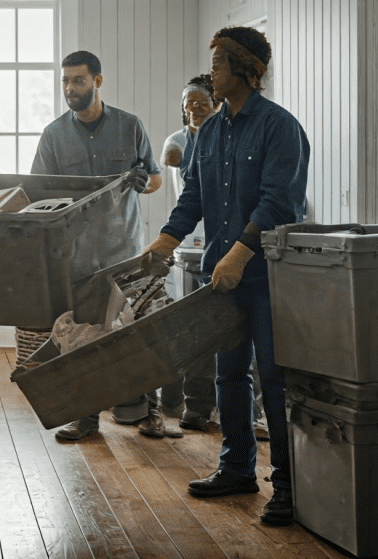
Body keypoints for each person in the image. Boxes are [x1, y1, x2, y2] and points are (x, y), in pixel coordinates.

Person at [143, 26, 309, 527]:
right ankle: (236, 467)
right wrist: (165, 241)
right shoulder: (211, 131)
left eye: (218, 63)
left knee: (274, 379)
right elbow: (193, 195)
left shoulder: (280, 127)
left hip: (266, 275)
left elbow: (280, 202)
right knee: (228, 373)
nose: (210, 71)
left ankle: (287, 485)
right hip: (221, 274)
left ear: (244, 68)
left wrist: (239, 255)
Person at [31, 50, 169, 441]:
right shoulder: (54, 135)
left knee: (141, 331)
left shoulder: (130, 126)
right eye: (65, 81)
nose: (70, 89)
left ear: (98, 81)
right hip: (77, 259)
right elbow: (39, 194)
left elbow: (156, 179)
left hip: (125, 252)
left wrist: (146, 182)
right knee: (81, 340)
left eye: (78, 80)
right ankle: (86, 419)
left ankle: (152, 414)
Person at [158, 74, 220, 434]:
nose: (194, 109)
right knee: (188, 326)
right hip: (188, 244)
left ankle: (203, 405)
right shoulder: (178, 142)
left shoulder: (226, 138)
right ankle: (178, 402)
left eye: (202, 103)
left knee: (212, 330)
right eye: (189, 104)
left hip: (221, 244)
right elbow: (176, 164)